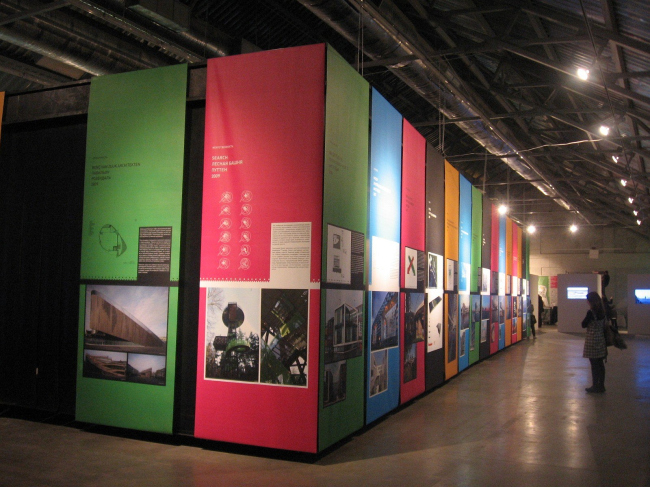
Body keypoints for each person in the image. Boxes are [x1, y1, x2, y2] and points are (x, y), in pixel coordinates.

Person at [581, 291, 608, 393]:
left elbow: (583, 324)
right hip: (600, 339)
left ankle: (595, 385)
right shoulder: (602, 311)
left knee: (594, 364)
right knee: (600, 364)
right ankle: (601, 385)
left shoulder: (591, 312)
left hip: (592, 340)